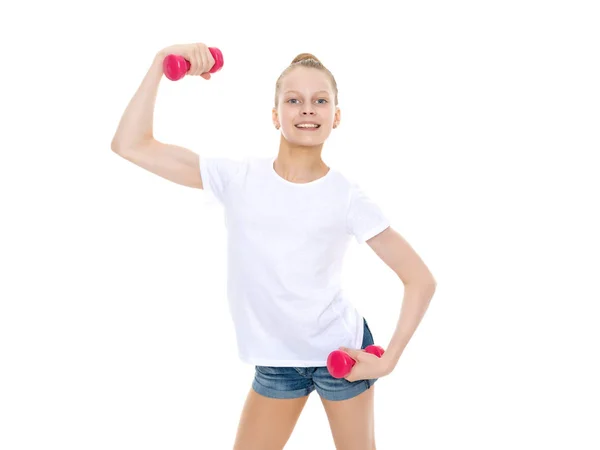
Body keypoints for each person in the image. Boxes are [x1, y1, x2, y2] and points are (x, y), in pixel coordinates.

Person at [111, 42, 436, 450]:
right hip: (277, 362)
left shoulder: (348, 197)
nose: (306, 108)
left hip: (342, 355)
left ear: (335, 117)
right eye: (293, 100)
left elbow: (420, 279)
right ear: (274, 115)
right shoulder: (237, 178)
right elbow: (130, 145)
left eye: (320, 100)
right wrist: (160, 63)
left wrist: (388, 360)